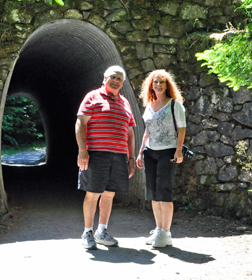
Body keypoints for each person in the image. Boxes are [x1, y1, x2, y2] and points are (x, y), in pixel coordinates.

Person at [76, 66, 136, 250]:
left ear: (123, 82)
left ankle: (102, 231)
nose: (115, 80)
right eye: (113, 77)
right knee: (92, 193)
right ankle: (87, 232)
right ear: (105, 78)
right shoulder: (93, 97)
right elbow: (80, 123)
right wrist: (82, 150)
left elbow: (131, 134)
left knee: (109, 194)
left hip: (119, 156)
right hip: (96, 154)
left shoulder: (125, 102)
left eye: (119, 78)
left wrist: (131, 158)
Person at [136, 69, 186, 248]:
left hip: (168, 151)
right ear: (151, 85)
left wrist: (178, 150)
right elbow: (147, 131)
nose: (158, 85)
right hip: (150, 152)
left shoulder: (174, 105)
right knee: (153, 194)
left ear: (167, 85)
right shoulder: (149, 105)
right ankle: (158, 229)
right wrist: (141, 151)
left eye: (162, 82)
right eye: (155, 82)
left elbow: (181, 128)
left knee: (164, 193)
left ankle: (166, 233)